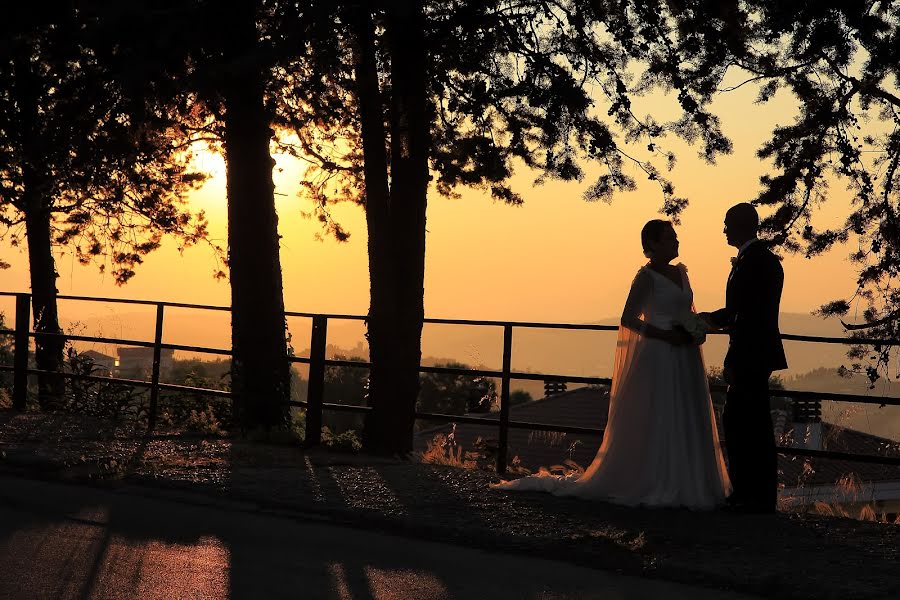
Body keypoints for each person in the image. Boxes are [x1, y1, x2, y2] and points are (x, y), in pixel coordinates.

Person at [492, 220, 731, 509]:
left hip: (685, 353)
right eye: (670, 238)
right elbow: (629, 318)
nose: (676, 242)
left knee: (687, 410)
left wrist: (694, 330)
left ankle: (691, 480)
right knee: (661, 412)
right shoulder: (646, 277)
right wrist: (664, 334)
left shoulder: (682, 272)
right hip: (659, 352)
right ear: (653, 244)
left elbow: (686, 309)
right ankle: (658, 478)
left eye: (676, 237)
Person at [700, 203, 787, 514]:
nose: (723, 230)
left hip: (750, 354)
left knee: (741, 425)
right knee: (753, 425)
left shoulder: (754, 263)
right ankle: (756, 495)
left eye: (726, 224)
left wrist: (707, 320)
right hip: (758, 353)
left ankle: (748, 495)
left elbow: (744, 313)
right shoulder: (761, 260)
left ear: (740, 227)